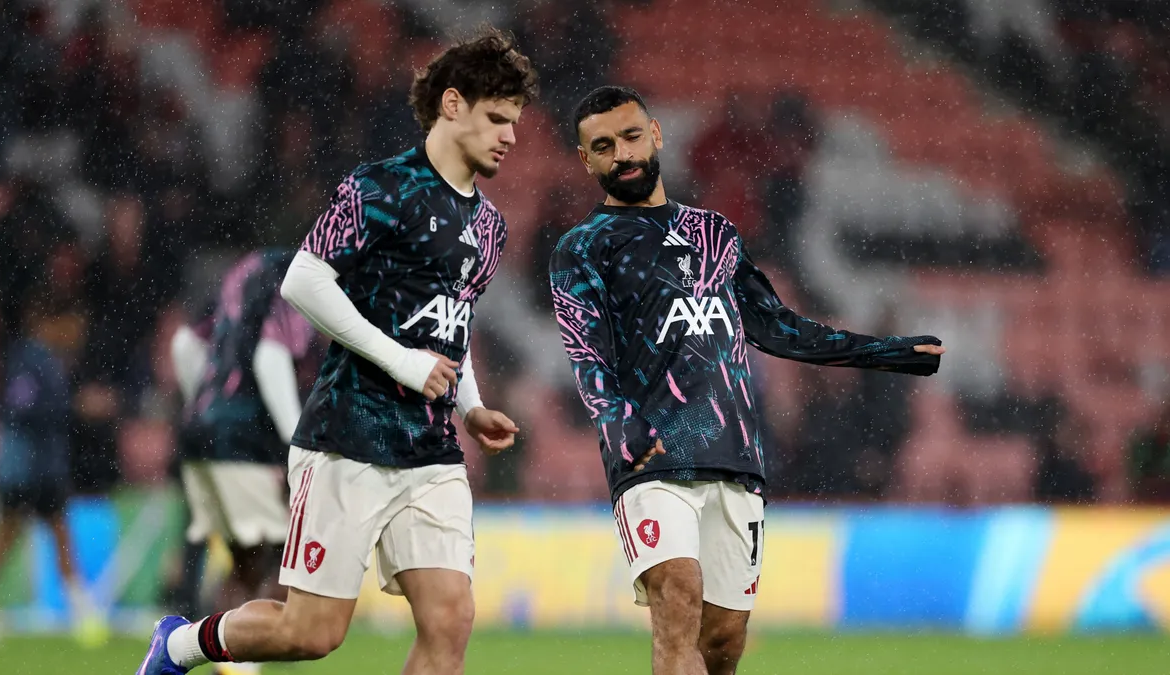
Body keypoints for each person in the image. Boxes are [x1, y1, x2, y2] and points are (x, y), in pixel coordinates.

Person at [137, 25, 537, 675]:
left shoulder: (489, 226)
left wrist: (471, 406)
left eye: (515, 121)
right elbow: (304, 281)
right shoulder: (379, 188)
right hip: (348, 437)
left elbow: (450, 327)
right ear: (453, 105)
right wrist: (400, 361)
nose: (511, 136)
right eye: (498, 117)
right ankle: (181, 644)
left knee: (450, 619)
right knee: (311, 632)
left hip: (432, 452)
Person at [549, 86, 945, 675]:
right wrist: (619, 428)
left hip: (734, 457)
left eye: (630, 136)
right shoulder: (583, 247)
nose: (622, 154)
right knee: (677, 597)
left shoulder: (715, 234)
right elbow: (586, 355)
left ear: (655, 134)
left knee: (724, 641)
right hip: (651, 455)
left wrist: (885, 353)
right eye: (603, 146)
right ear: (586, 160)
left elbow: (778, 328)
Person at [170, 249, 316, 674]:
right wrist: (295, 444)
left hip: (203, 433)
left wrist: (206, 405)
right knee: (283, 557)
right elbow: (270, 357)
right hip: (246, 437)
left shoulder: (247, 274)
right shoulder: (302, 280)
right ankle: (231, 659)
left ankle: (223, 652)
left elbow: (184, 344)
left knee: (249, 560)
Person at [0, 292, 107, 647]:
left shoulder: (46, 359)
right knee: (22, 537)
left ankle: (82, 614)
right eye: (72, 323)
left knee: (44, 536)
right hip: (27, 468)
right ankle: (82, 614)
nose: (77, 332)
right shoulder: (30, 359)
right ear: (51, 322)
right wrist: (74, 406)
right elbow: (21, 408)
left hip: (39, 466)